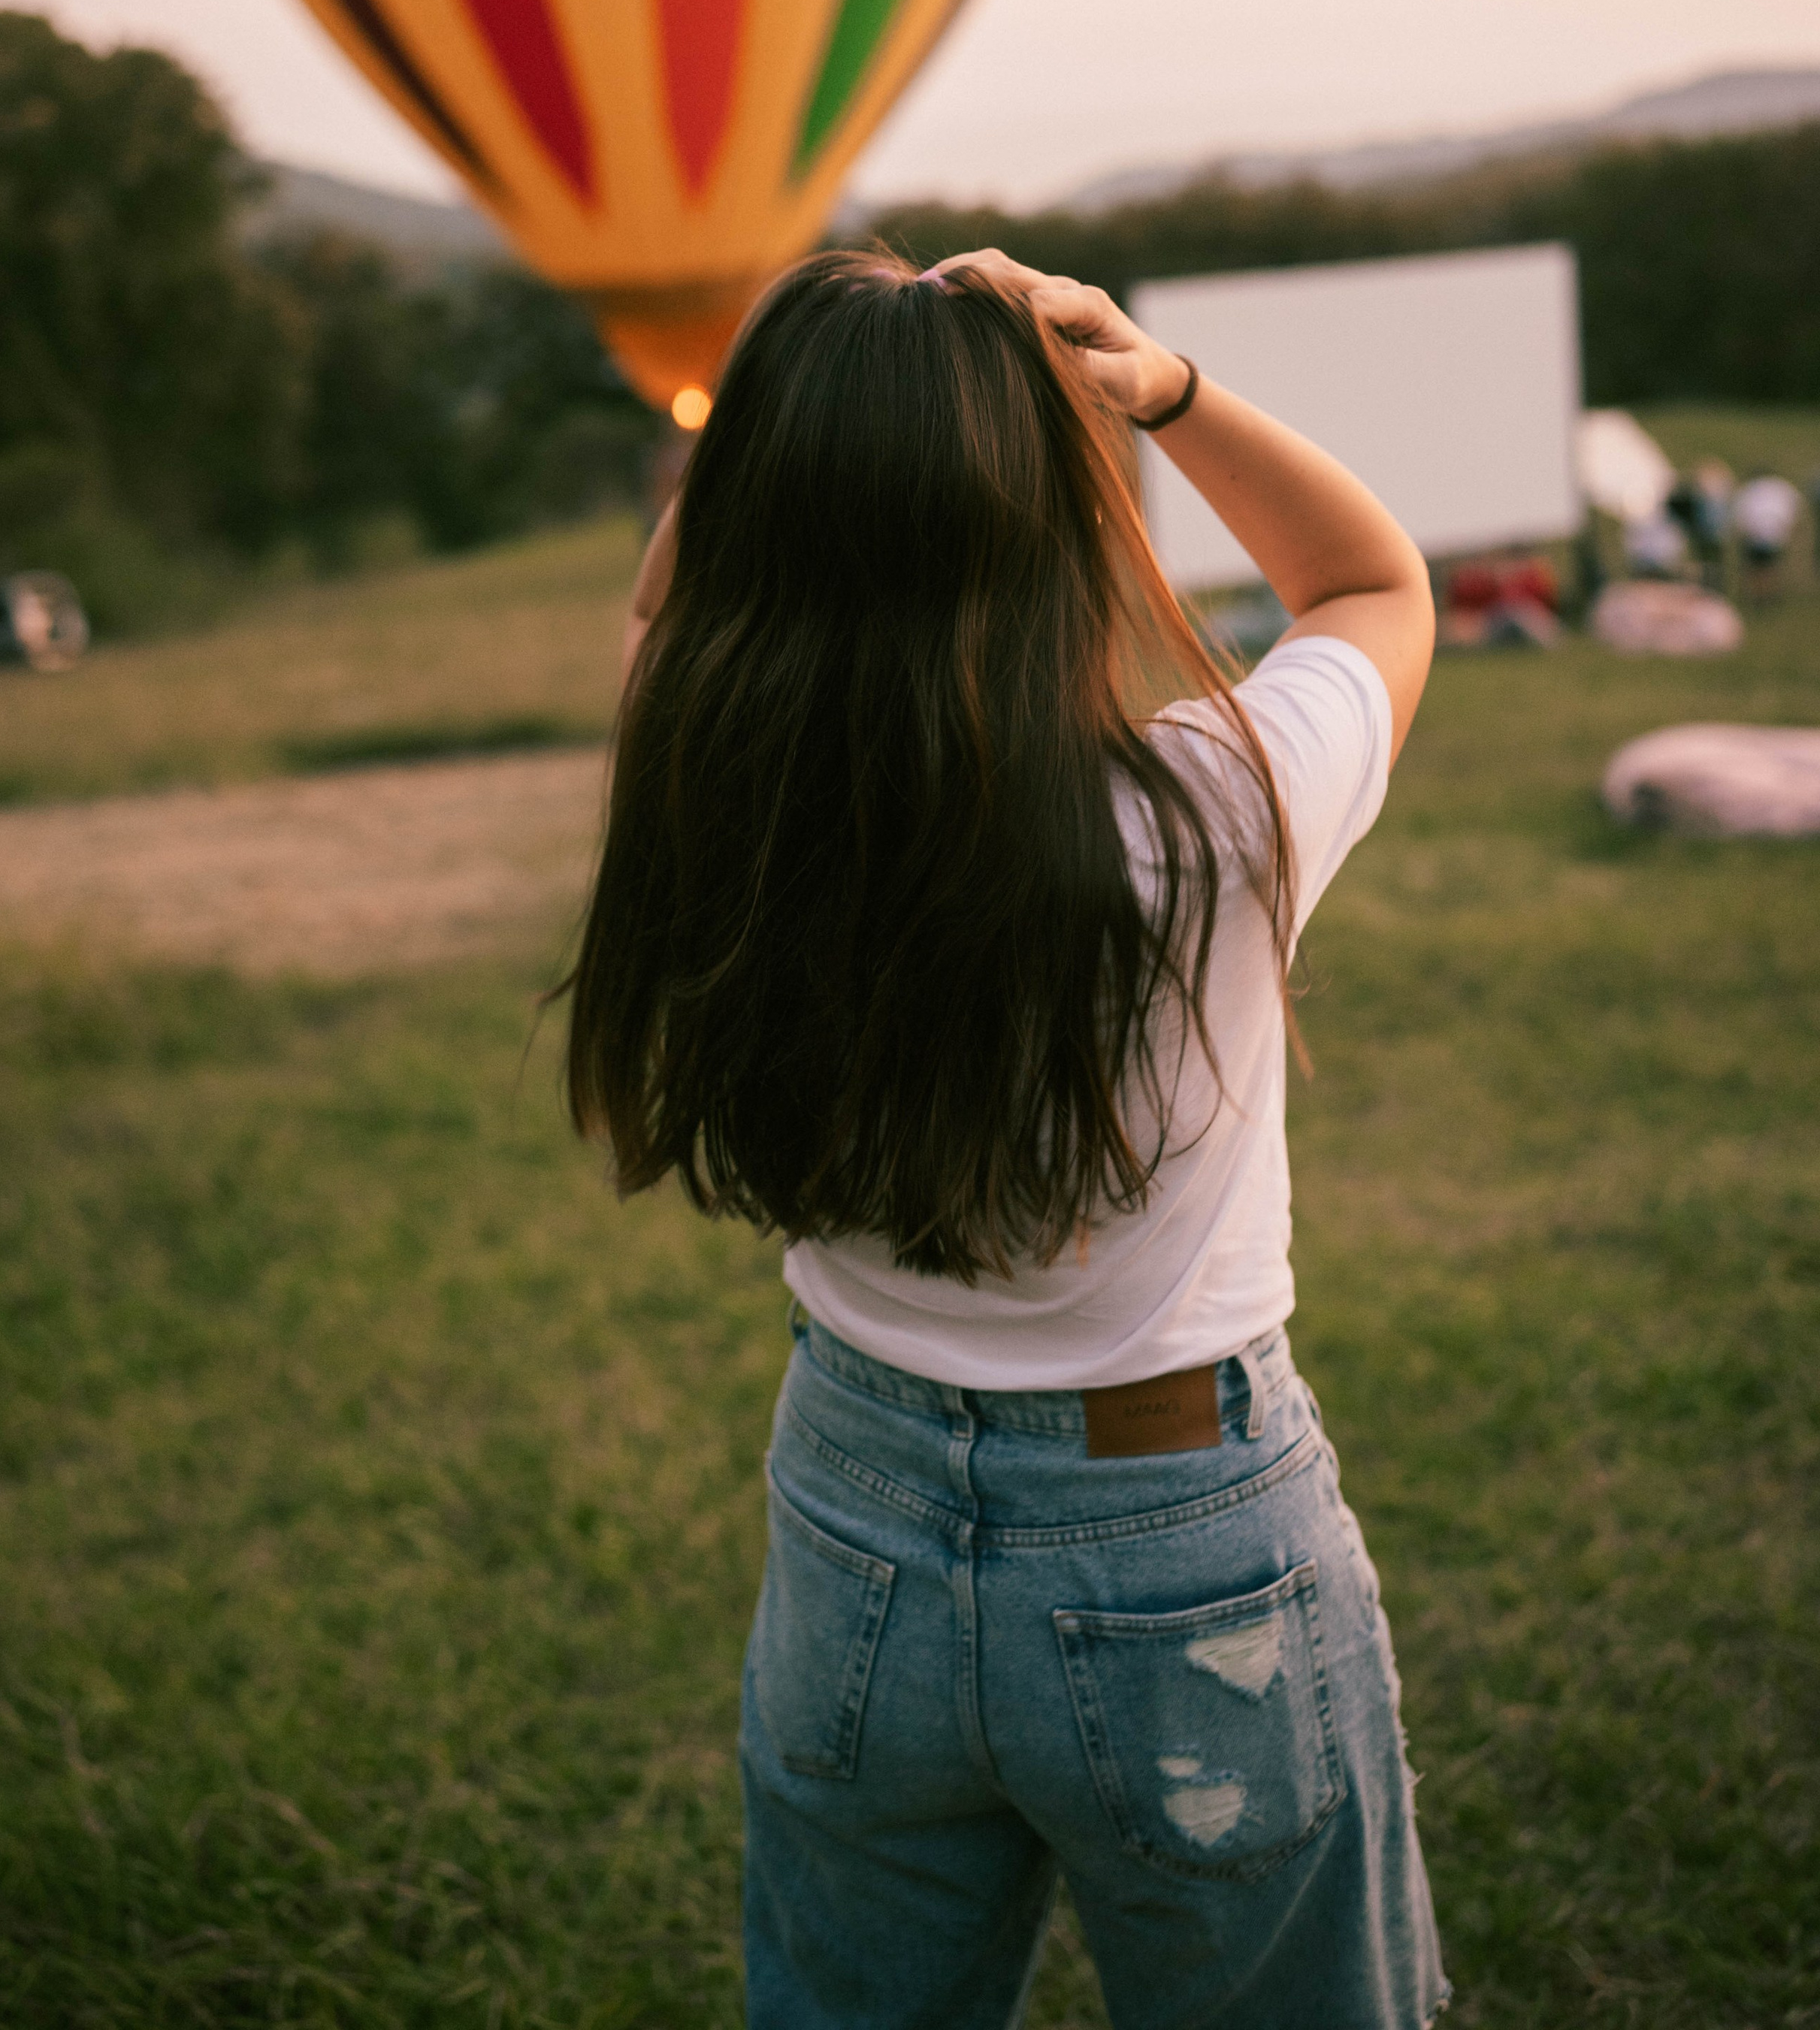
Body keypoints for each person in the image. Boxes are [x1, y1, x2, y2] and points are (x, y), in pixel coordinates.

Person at [567, 249, 1447, 2030]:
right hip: (1180, 1533)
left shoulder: (707, 781)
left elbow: (681, 603)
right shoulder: (1217, 811)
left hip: (851, 1513)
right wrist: (1164, 388)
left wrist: (794, 401)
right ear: (1049, 519)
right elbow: (1366, 578)